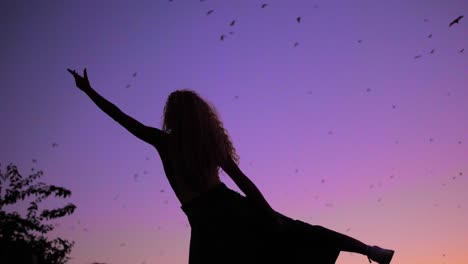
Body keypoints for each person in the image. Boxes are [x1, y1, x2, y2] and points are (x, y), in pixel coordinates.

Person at [68, 68, 395, 264]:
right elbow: (245, 183)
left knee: (286, 238)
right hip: (230, 208)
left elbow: (121, 118)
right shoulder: (207, 146)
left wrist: (88, 91)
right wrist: (268, 214)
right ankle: (370, 249)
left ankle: (371, 250)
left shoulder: (165, 142)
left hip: (208, 217)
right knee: (299, 232)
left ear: (172, 116)